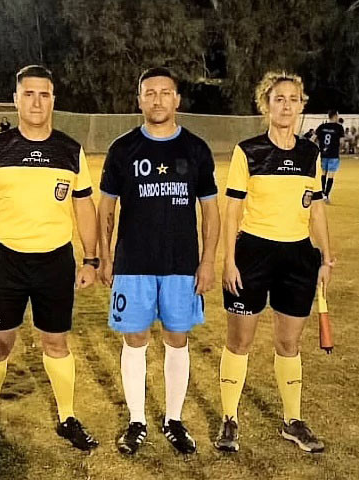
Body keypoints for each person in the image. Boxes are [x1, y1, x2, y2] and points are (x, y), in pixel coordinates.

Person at [0, 65, 100, 457]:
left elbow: (84, 206)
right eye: (29, 94)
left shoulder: (70, 150)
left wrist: (90, 259)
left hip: (55, 262)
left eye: (44, 94)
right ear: (16, 99)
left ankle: (67, 417)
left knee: (56, 342)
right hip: (6, 261)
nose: (36, 102)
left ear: (53, 100)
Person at [97, 67, 220, 455]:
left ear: (177, 99)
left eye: (165, 92)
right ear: (139, 100)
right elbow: (106, 209)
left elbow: (211, 213)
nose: (157, 100)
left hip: (181, 264)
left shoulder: (196, 149)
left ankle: (174, 420)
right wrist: (104, 257)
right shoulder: (123, 149)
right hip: (133, 264)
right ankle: (137, 421)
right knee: (135, 339)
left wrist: (207, 262)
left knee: (177, 339)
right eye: (149, 93)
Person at [216, 71, 333, 454]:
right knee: (240, 341)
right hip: (253, 254)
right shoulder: (248, 151)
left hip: (298, 257)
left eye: (293, 99)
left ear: (302, 105)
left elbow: (317, 208)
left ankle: (292, 421)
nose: (286, 106)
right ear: (266, 105)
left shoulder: (310, 154)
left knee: (288, 342)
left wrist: (326, 256)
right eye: (278, 99)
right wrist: (229, 261)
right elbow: (232, 210)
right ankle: (229, 419)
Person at [314, 110, 344, 203]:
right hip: (333, 154)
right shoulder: (339, 127)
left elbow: (313, 138)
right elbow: (342, 141)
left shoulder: (322, 126)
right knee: (331, 175)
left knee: (323, 174)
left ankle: (322, 192)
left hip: (323, 154)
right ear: (335, 116)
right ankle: (326, 195)